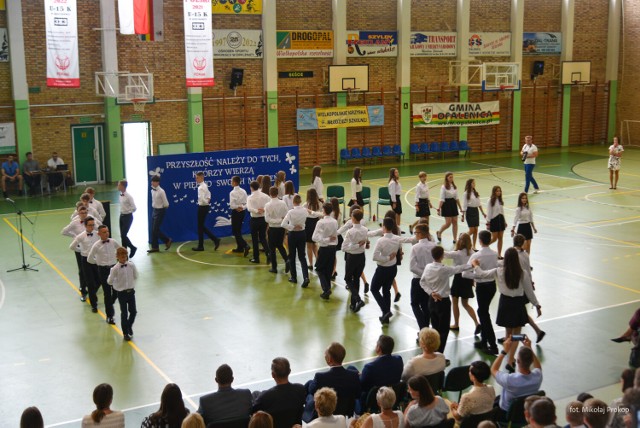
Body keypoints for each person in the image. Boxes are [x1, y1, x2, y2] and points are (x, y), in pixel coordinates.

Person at [472, 247, 542, 369]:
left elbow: (482, 274)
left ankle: (509, 357)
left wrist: (475, 265)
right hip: (518, 304)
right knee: (516, 334)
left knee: (508, 335)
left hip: (505, 303)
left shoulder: (499, 271)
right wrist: (536, 305)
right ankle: (510, 360)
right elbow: (529, 291)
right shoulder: (522, 273)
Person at [421, 245, 472, 353]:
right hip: (443, 302)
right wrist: (472, 265)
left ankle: (433, 351)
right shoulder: (444, 269)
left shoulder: (428, 267)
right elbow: (459, 268)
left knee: (435, 328)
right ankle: (439, 353)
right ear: (442, 256)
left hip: (431, 301)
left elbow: (422, 282)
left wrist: (431, 293)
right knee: (444, 330)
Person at [303, 342, 361, 422]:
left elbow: (311, 391)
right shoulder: (353, 376)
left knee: (308, 385)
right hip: (344, 411)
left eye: (325, 355)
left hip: (325, 411)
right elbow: (357, 395)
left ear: (330, 360)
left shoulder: (320, 377)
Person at [370, 217, 411, 324]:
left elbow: (375, 257)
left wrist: (387, 258)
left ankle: (386, 311)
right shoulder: (397, 238)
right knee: (386, 290)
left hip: (382, 269)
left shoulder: (381, 240)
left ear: (384, 227)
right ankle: (385, 317)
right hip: (393, 269)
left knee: (374, 289)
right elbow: (408, 240)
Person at [491, 336, 543, 419]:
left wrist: (504, 351)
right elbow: (538, 367)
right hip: (527, 413)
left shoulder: (509, 380)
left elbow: (493, 369)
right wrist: (529, 348)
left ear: (517, 361)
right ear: (531, 360)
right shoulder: (537, 377)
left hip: (508, 414)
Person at [465, 230, 499, 355]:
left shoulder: (476, 256)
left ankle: (493, 344)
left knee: (483, 313)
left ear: (479, 241)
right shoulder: (495, 254)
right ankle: (484, 341)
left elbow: (465, 273)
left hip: (482, 287)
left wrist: (476, 276)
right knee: (484, 311)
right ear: (490, 240)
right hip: (492, 286)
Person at [252, 357, 307, 428]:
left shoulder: (265, 396)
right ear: (289, 371)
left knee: (255, 394)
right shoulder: (300, 389)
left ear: (273, 374)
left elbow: (253, 412)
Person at [512, 234, 546, 344]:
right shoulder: (525, 254)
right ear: (522, 243)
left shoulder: (512, 254)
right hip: (523, 287)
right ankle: (537, 331)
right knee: (521, 313)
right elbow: (528, 271)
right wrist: (530, 283)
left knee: (516, 316)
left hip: (515, 289)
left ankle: (516, 339)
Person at [445, 233, 480, 334]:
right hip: (468, 279)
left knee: (455, 301)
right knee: (465, 304)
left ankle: (456, 324)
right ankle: (477, 323)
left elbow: (446, 255)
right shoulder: (473, 252)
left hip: (459, 278)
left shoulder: (458, 253)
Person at [87, 225, 122, 324]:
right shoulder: (96, 245)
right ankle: (110, 315)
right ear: (99, 234)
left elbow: (121, 250)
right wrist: (98, 263)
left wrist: (118, 260)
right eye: (104, 232)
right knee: (107, 293)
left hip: (114, 269)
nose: (106, 233)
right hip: (103, 270)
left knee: (116, 291)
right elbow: (89, 259)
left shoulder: (113, 241)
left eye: (107, 231)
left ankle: (110, 303)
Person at [62, 205, 96, 302]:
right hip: (80, 250)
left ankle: (92, 288)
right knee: (82, 271)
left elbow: (98, 227)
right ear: (78, 213)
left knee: (93, 269)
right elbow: (64, 231)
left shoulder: (91, 220)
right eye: (82, 213)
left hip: (91, 249)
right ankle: (83, 291)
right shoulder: (75, 222)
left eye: (85, 212)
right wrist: (74, 236)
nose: (84, 214)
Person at [408, 224, 436, 336]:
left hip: (418, 279)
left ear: (422, 234)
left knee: (414, 304)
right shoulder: (434, 245)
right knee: (425, 305)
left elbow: (412, 267)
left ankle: (423, 329)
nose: (415, 235)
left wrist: (423, 274)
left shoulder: (415, 247)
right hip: (430, 280)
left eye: (416, 233)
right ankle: (425, 329)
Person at [107, 247, 138, 341]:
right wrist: (117, 283)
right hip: (122, 294)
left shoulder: (131, 265)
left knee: (133, 312)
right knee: (124, 313)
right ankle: (125, 333)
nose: (124, 259)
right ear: (117, 257)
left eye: (125, 257)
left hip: (131, 292)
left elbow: (136, 275)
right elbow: (109, 281)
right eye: (122, 257)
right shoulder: (114, 269)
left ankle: (129, 326)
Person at [70, 216, 101, 308]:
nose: (92, 227)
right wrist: (81, 251)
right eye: (90, 225)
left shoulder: (97, 234)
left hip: (96, 259)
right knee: (90, 282)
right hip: (86, 260)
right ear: (85, 225)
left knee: (99, 280)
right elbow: (72, 247)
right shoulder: (81, 236)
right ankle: (93, 304)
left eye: (93, 225)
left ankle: (92, 293)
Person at [281, 194, 311, 287]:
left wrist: (292, 227)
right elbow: (312, 214)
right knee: (302, 257)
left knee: (292, 256)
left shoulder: (291, 212)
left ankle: (294, 277)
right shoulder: (305, 211)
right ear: (300, 202)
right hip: (302, 234)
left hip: (292, 235)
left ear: (293, 202)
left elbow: (283, 224)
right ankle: (306, 277)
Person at [313, 202, 339, 299]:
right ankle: (327, 289)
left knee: (319, 269)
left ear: (323, 210)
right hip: (332, 249)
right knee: (328, 270)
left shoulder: (321, 222)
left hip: (324, 248)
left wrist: (326, 239)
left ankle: (326, 289)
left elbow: (314, 237)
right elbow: (334, 236)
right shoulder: (335, 221)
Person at [193, 171, 221, 252]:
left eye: (197, 177)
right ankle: (212, 241)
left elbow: (202, 199)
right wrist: (208, 200)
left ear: (202, 177)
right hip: (205, 207)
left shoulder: (201, 187)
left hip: (202, 207)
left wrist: (206, 201)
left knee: (200, 227)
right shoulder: (205, 185)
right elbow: (209, 194)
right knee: (201, 227)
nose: (196, 179)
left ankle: (209, 242)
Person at [265, 186, 290, 273]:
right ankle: (287, 260)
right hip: (281, 228)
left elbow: (267, 219)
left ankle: (274, 267)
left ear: (270, 194)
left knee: (272, 248)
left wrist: (275, 221)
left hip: (272, 229)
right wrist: (280, 220)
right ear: (277, 193)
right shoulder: (283, 203)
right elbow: (287, 215)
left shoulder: (268, 205)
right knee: (280, 245)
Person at [436, 172, 462, 244]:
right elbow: (442, 199)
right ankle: (439, 232)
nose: (451, 178)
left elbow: (457, 198)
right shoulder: (443, 187)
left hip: (453, 204)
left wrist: (460, 208)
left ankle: (455, 239)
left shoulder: (454, 186)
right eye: (450, 177)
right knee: (448, 223)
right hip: (446, 204)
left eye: (452, 177)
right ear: (446, 178)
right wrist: (439, 208)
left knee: (455, 222)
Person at [148, 175, 172, 253]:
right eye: (152, 181)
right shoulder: (152, 190)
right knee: (154, 229)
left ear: (157, 182)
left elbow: (166, 204)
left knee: (155, 229)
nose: (152, 182)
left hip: (160, 211)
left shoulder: (162, 191)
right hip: (154, 210)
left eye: (153, 181)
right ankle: (155, 247)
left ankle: (167, 240)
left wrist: (161, 209)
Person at [461, 178, 486, 250]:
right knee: (471, 230)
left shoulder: (475, 193)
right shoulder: (466, 193)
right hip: (469, 211)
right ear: (469, 184)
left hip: (475, 211)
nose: (474, 184)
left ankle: (473, 246)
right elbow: (464, 205)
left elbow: (479, 204)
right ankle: (462, 239)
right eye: (473, 183)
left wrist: (483, 213)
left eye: (474, 183)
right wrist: (463, 215)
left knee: (476, 230)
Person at [229, 175, 250, 256]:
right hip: (242, 212)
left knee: (235, 231)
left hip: (236, 212)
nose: (231, 182)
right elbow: (246, 203)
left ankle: (245, 245)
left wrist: (237, 207)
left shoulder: (232, 193)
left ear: (234, 182)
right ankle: (240, 248)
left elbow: (231, 205)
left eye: (231, 181)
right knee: (239, 230)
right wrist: (242, 207)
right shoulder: (244, 191)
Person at [117, 180, 137, 258]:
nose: (117, 186)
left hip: (127, 217)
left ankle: (132, 247)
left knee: (123, 235)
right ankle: (124, 255)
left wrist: (128, 211)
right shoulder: (120, 195)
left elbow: (134, 208)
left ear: (122, 186)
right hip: (121, 216)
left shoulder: (129, 196)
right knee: (122, 236)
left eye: (119, 185)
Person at [305, 188, 323, 269]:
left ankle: (310, 264)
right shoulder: (319, 204)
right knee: (315, 245)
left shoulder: (306, 205)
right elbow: (321, 214)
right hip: (316, 223)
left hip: (308, 224)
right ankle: (319, 262)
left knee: (309, 245)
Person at [486, 186, 507, 258]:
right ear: (494, 192)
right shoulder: (490, 200)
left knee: (500, 238)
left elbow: (502, 211)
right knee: (494, 238)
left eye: (500, 191)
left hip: (501, 219)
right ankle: (485, 247)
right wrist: (488, 222)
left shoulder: (500, 200)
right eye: (497, 191)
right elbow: (489, 212)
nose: (499, 192)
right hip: (494, 220)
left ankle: (499, 254)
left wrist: (504, 221)